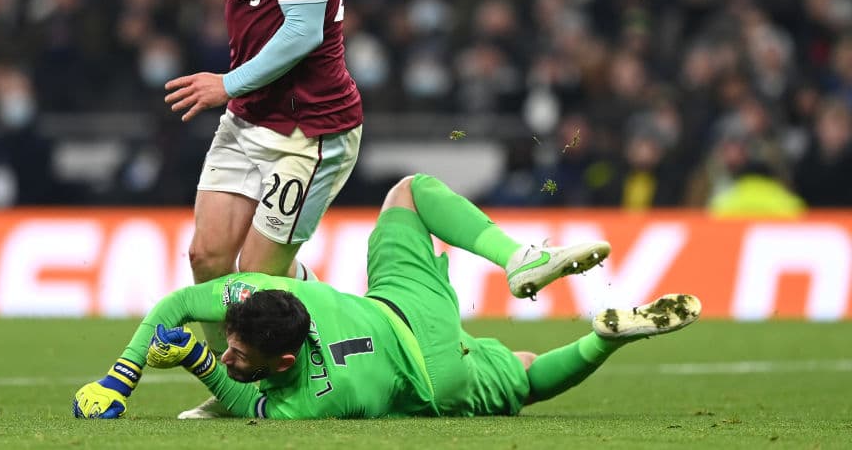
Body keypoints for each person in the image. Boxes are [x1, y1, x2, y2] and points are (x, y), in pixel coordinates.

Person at [73, 174, 700, 420]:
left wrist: (194, 359)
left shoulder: (314, 402)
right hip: (403, 305)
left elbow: (240, 398)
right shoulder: (272, 295)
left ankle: (602, 342)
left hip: (433, 379)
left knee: (528, 380)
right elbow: (184, 309)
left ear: (285, 363)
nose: (227, 354)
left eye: (236, 352)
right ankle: (519, 259)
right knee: (409, 193)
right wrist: (128, 375)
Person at [109, 0, 363, 405]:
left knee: (256, 282)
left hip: (308, 129)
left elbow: (304, 30)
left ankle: (310, 357)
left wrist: (227, 83)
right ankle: (232, 390)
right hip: (251, 117)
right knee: (207, 258)